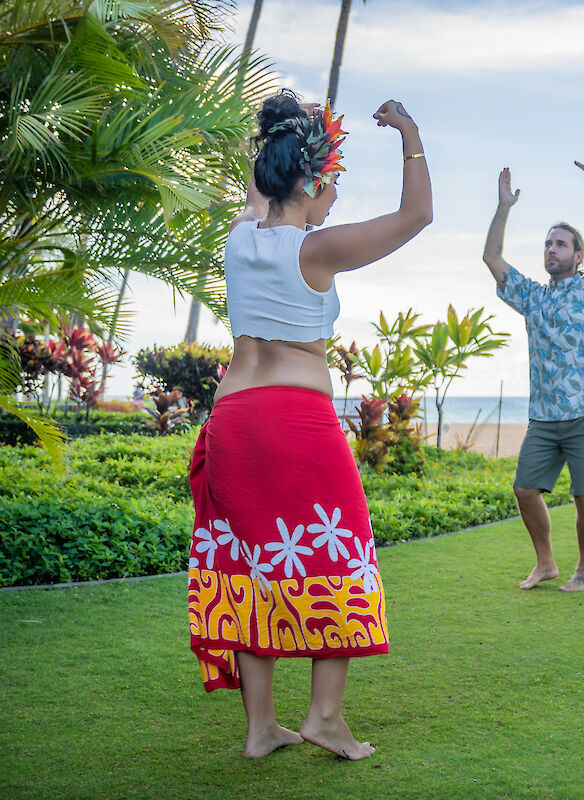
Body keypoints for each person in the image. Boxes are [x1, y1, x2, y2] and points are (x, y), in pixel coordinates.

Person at [187, 90, 431, 760]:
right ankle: (323, 717)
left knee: (251, 562)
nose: (331, 202)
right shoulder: (315, 251)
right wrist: (408, 131)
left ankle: (261, 727)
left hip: (232, 417)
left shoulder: (240, 237)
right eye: (327, 188)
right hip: (295, 420)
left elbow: (252, 173)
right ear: (307, 182)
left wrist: (274, 142)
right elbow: (418, 215)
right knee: (339, 555)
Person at [483, 163, 584, 591]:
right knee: (525, 489)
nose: (552, 250)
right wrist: (503, 206)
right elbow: (491, 258)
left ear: (578, 255)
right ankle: (546, 562)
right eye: (548, 244)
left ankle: (583, 570)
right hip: (544, 418)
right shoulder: (532, 297)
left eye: (561, 244)